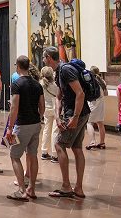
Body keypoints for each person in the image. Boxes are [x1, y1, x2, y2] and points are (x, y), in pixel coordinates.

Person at [42, 46, 89, 199]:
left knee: (59, 144)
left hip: (77, 114)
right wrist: (57, 115)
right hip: (78, 113)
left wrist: (75, 117)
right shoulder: (58, 72)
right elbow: (58, 96)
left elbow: (80, 93)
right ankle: (79, 188)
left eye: (44, 57)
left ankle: (67, 186)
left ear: (49, 57)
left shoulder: (65, 70)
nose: (43, 60)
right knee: (76, 147)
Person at [5, 56, 44, 201]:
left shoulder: (17, 84)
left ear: (18, 66)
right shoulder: (37, 84)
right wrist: (38, 119)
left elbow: (14, 107)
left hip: (22, 125)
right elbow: (42, 106)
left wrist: (10, 127)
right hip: (35, 124)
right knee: (32, 156)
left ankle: (21, 189)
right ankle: (31, 188)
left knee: (14, 156)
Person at [85, 66, 108, 150]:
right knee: (100, 123)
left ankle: (92, 141)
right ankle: (102, 143)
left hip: (93, 102)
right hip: (101, 103)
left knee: (89, 122)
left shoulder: (91, 81)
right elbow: (106, 94)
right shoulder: (102, 81)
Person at [39, 66, 59, 162]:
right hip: (56, 108)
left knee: (46, 129)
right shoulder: (55, 84)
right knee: (55, 131)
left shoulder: (41, 83)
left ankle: (44, 151)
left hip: (46, 108)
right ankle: (55, 154)